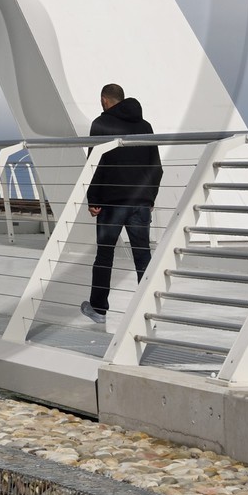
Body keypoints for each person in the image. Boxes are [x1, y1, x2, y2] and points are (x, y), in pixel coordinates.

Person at [82, 83, 162, 324]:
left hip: (111, 204)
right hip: (140, 203)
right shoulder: (145, 126)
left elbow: (95, 164)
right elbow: (155, 166)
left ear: (105, 100)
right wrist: (149, 198)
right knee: (143, 256)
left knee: (105, 255)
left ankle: (98, 310)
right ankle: (149, 309)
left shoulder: (101, 124)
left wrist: (93, 198)